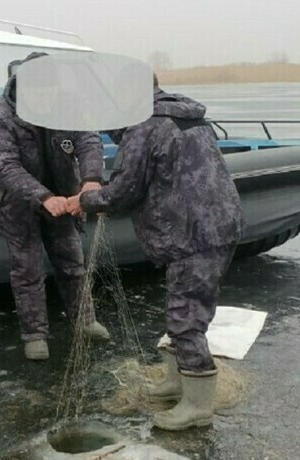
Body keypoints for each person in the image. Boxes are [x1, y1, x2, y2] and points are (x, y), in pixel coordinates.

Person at [66, 76, 245, 430]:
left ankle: (197, 407)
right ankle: (176, 382)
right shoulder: (180, 115)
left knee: (186, 316)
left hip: (194, 234)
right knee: (181, 305)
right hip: (212, 224)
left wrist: (83, 200)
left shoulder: (146, 127)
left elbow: (124, 190)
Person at [0, 52, 110, 361]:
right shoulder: (1, 115)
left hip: (65, 197)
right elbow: (5, 166)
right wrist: (43, 196)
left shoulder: (70, 104)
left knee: (72, 262)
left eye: (50, 89)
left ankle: (85, 320)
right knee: (27, 268)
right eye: (39, 90)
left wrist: (91, 179)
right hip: (17, 203)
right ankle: (35, 334)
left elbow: (89, 141)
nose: (46, 97)